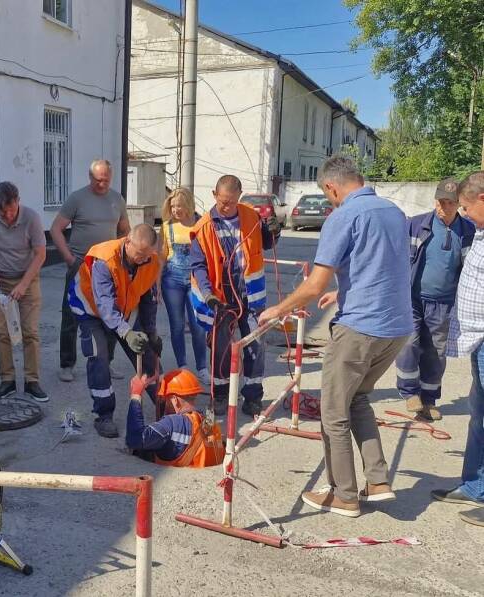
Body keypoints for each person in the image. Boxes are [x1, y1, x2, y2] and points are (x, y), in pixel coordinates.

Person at [259, 156, 412, 518]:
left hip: (361, 329)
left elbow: (314, 284)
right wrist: (343, 293)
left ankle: (343, 494)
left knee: (333, 413)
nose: (330, 201)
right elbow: (383, 267)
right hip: (396, 328)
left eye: (328, 196)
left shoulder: (344, 216)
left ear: (331, 187)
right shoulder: (394, 212)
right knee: (358, 399)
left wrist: (278, 310)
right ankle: (377, 481)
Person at [189, 175, 273, 417]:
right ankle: (221, 396)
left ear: (239, 197)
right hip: (220, 296)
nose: (226, 206)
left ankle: (253, 396)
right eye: (222, 201)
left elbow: (265, 243)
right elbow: (198, 265)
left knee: (256, 345)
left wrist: (272, 232)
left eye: (231, 202)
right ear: (215, 194)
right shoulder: (203, 227)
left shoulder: (251, 216)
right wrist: (208, 295)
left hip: (251, 295)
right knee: (221, 349)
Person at [67, 224, 161, 438]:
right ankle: (104, 415)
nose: (141, 259)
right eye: (138, 254)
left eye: (146, 255)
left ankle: (163, 404)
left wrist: (151, 333)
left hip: (119, 309)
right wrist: (127, 332)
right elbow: (104, 304)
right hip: (89, 309)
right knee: (99, 356)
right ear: (127, 242)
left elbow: (148, 299)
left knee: (146, 352)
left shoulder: (150, 261)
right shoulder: (104, 260)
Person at [395, 178, 475, 420]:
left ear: (458, 204)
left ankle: (429, 400)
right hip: (413, 298)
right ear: (435, 201)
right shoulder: (417, 224)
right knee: (409, 343)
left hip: (445, 302)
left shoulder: (468, 230)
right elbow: (397, 255)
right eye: (441, 202)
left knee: (436, 352)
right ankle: (410, 393)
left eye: (450, 203)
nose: (444, 207)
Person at [433, 171, 484, 527]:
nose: (463, 213)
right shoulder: (480, 231)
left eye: (466, 207)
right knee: (478, 416)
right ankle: (475, 486)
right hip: (479, 340)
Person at [51, 159, 130, 382]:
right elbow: (56, 229)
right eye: (98, 180)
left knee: (110, 315)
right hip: (80, 266)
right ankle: (67, 364)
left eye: (106, 180)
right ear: (90, 177)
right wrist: (68, 258)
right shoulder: (77, 198)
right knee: (71, 315)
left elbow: (125, 231)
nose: (102, 184)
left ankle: (107, 362)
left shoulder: (117, 199)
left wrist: (123, 256)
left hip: (109, 267)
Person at [0, 181, 48, 401]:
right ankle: (7, 380)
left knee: (30, 331)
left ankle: (32, 381)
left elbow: (41, 254)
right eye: (3, 212)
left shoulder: (31, 217)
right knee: (2, 333)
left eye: (12, 210)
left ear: (18, 201)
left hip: (28, 279)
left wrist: (24, 284)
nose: (8, 216)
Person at [158, 187, 209, 382]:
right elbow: (161, 257)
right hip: (172, 280)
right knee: (177, 325)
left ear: (188, 204)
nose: (175, 210)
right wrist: (156, 285)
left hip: (196, 279)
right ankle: (183, 366)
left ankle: (203, 368)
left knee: (198, 325)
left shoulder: (201, 223)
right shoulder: (167, 226)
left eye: (178, 206)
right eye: (172, 207)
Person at [126, 369, 225, 467]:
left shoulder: (172, 424)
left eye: (166, 399)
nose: (164, 403)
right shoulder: (210, 424)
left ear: (174, 400)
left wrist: (136, 395)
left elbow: (135, 439)